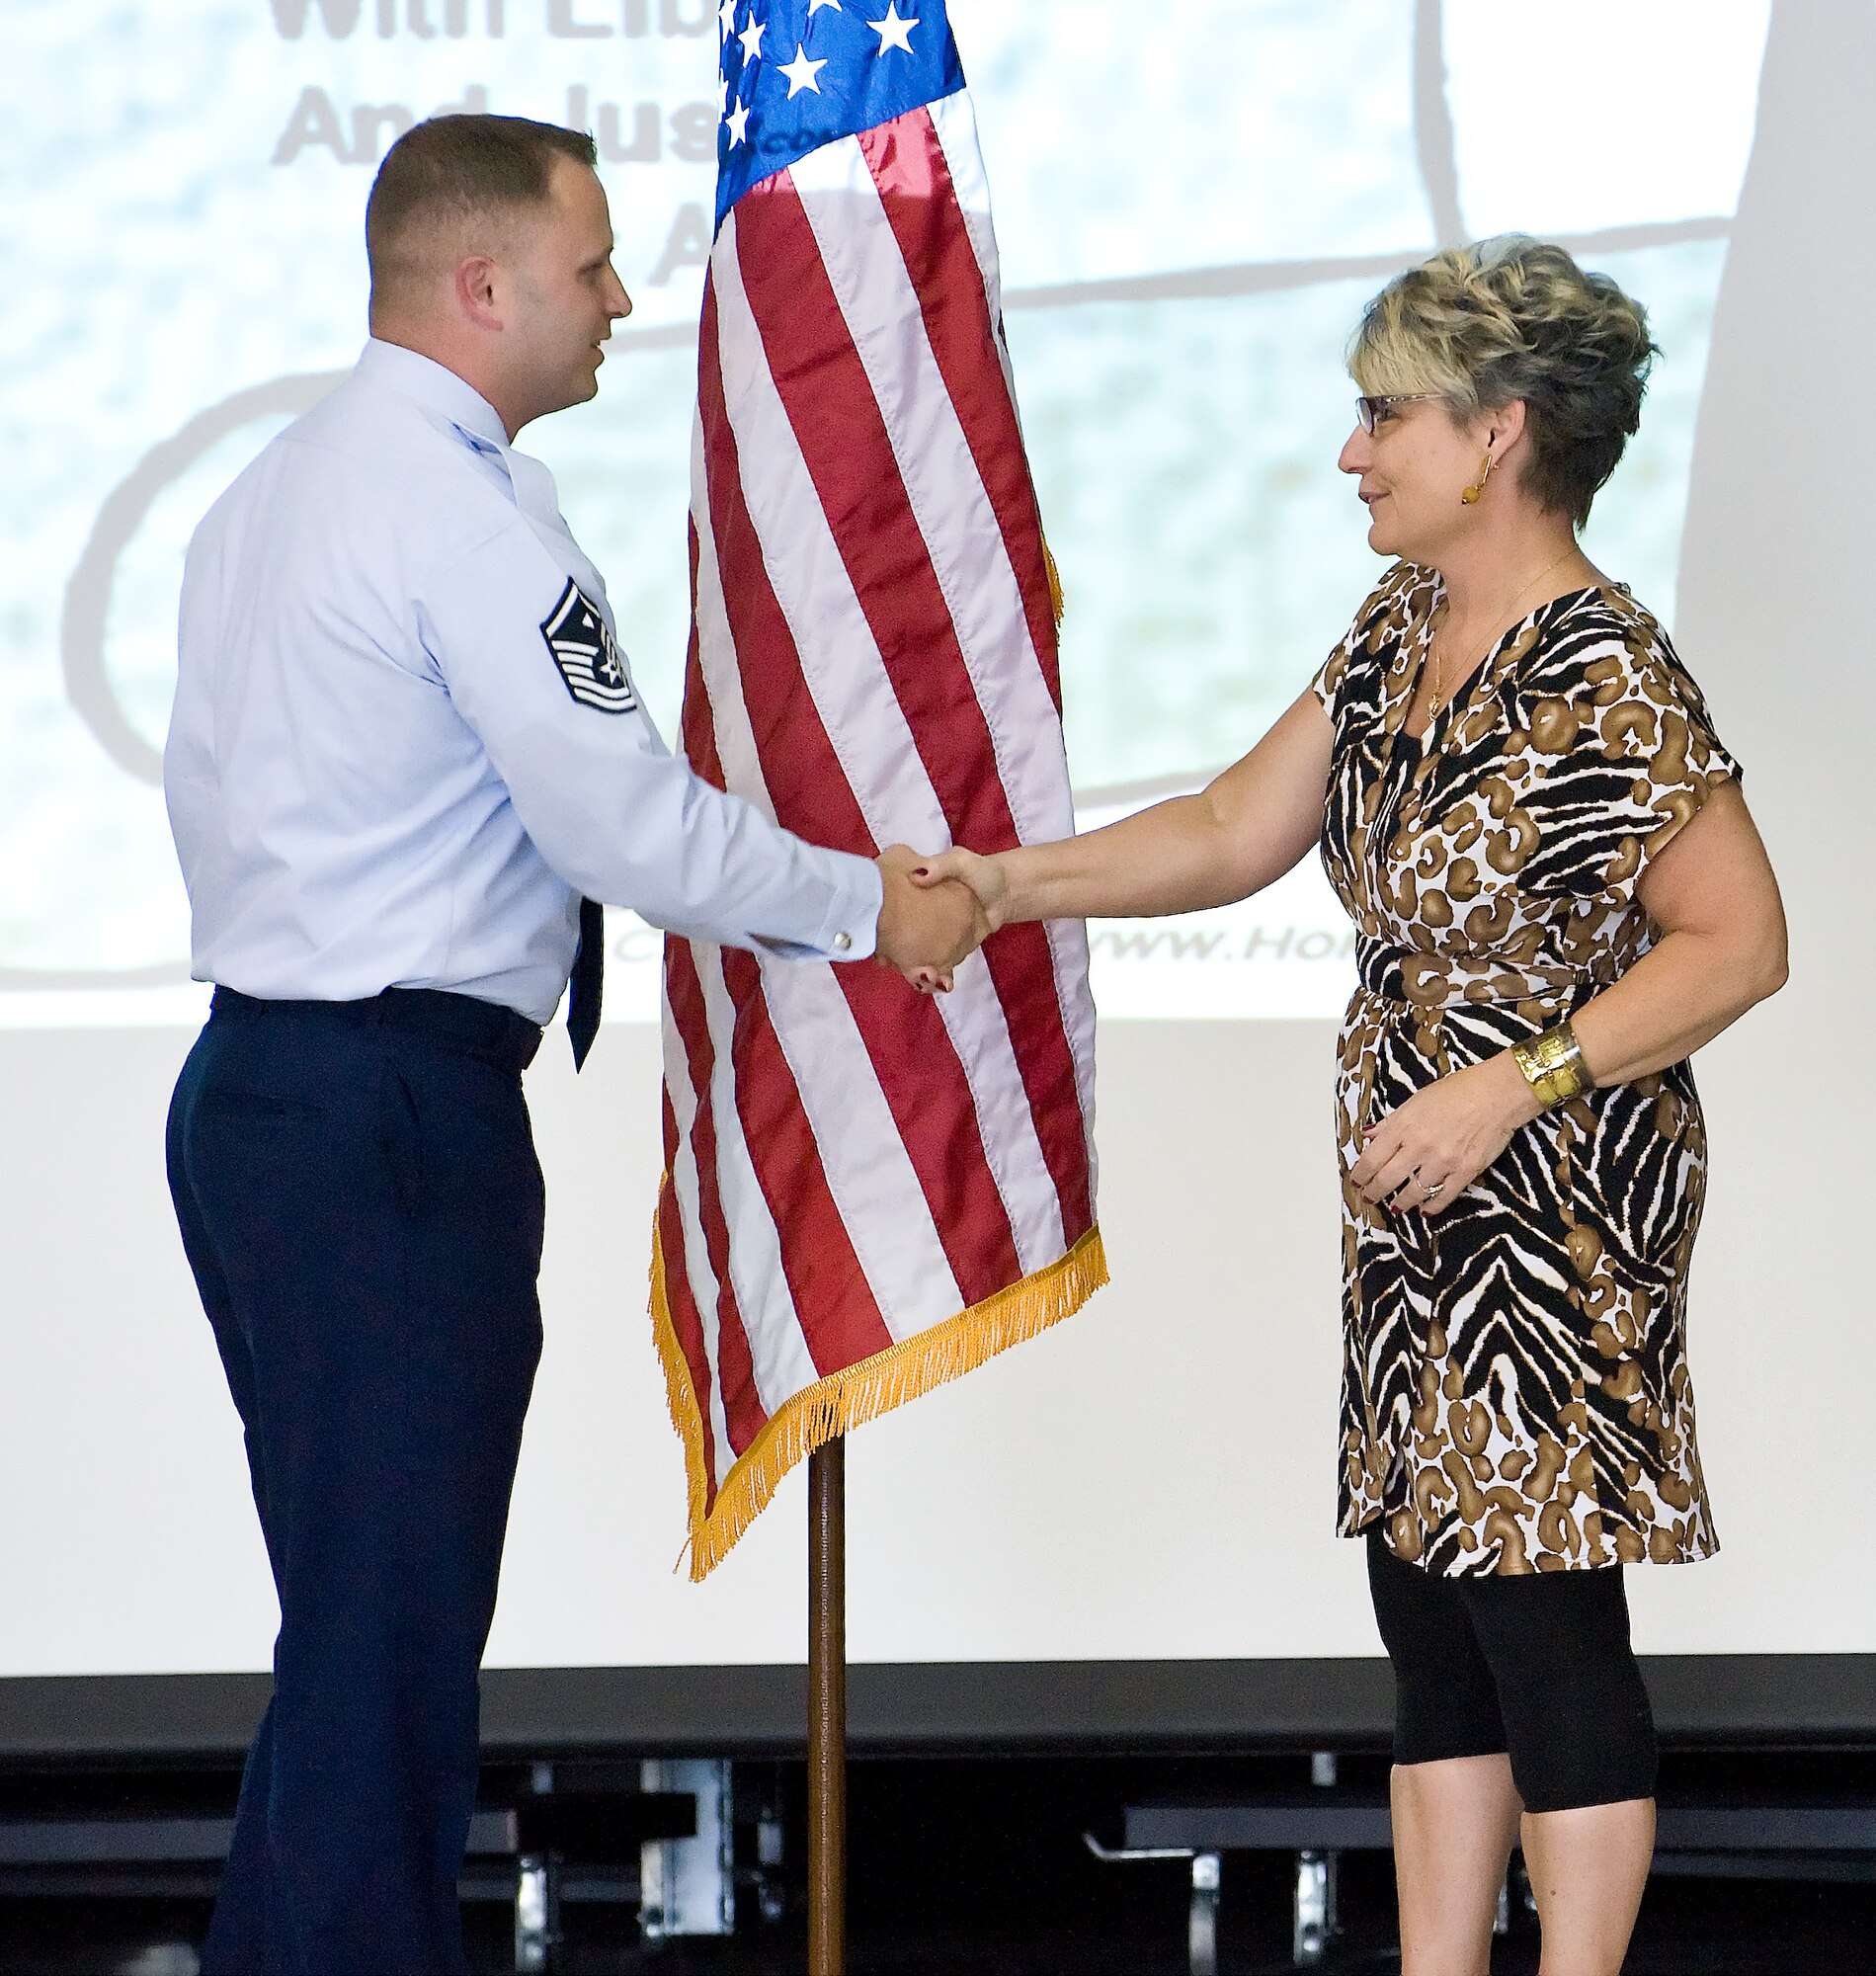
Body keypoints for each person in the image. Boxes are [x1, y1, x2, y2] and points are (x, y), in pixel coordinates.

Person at [911, 237, 1788, 1976]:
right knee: (1432, 1612)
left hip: (1554, 1210)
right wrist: (1004, 884)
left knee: (1544, 1616)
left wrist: (1517, 1085)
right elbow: (1237, 827)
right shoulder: (1401, 627)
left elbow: (1741, 940)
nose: (1353, 453)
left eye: (1386, 414)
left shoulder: (1603, 667)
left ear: (1501, 434)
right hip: (1415, 1194)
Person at [163, 114, 982, 1976]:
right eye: (594, 264)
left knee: (356, 1640)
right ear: (483, 285)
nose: (622, 299)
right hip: (391, 1116)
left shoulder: (269, 490)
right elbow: (625, 827)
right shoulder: (454, 518)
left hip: (268, 1090)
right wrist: (883, 907)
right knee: (386, 1649)